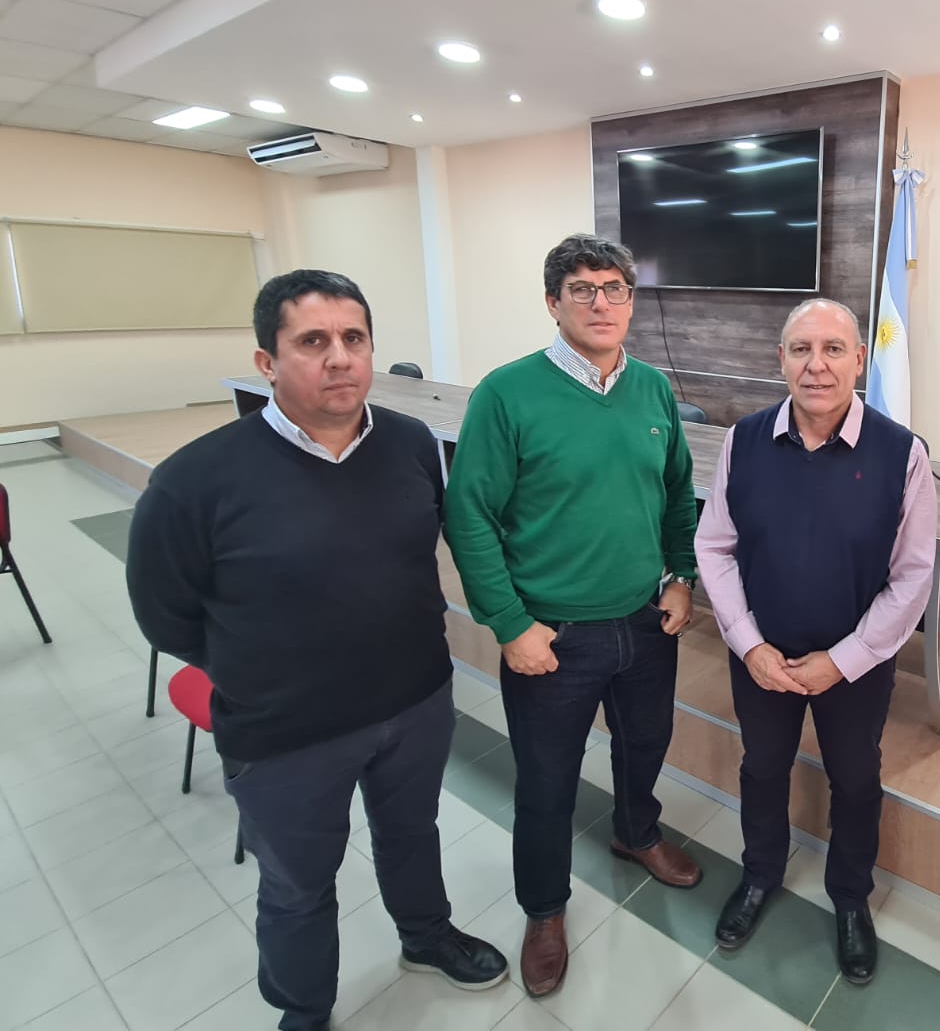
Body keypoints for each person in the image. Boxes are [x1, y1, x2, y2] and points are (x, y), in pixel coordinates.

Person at [126, 270, 508, 1031]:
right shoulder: (194, 481)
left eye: (353, 338)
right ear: (267, 362)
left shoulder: (411, 443)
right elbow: (166, 618)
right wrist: (268, 669)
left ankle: (426, 936)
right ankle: (304, 1008)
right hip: (286, 734)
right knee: (298, 885)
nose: (339, 357)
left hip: (414, 701)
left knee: (412, 835)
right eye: (312, 341)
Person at [443, 234, 702, 997]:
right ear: (553, 303)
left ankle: (636, 834)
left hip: (645, 622)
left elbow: (677, 492)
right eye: (582, 289)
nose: (601, 302)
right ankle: (544, 909)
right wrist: (510, 624)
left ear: (631, 301)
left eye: (615, 288)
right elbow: (469, 516)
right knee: (547, 782)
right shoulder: (507, 393)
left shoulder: (653, 389)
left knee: (645, 745)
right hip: (551, 636)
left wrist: (681, 576)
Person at [695, 298, 937, 984]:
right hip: (763, 659)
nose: (817, 365)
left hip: (854, 664)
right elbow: (714, 545)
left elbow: (913, 575)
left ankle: (851, 898)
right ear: (781, 360)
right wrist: (749, 644)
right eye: (801, 349)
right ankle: (759, 875)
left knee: (856, 778)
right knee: (762, 768)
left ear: (859, 360)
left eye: (833, 349)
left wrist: (846, 659)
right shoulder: (743, 441)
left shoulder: (902, 454)